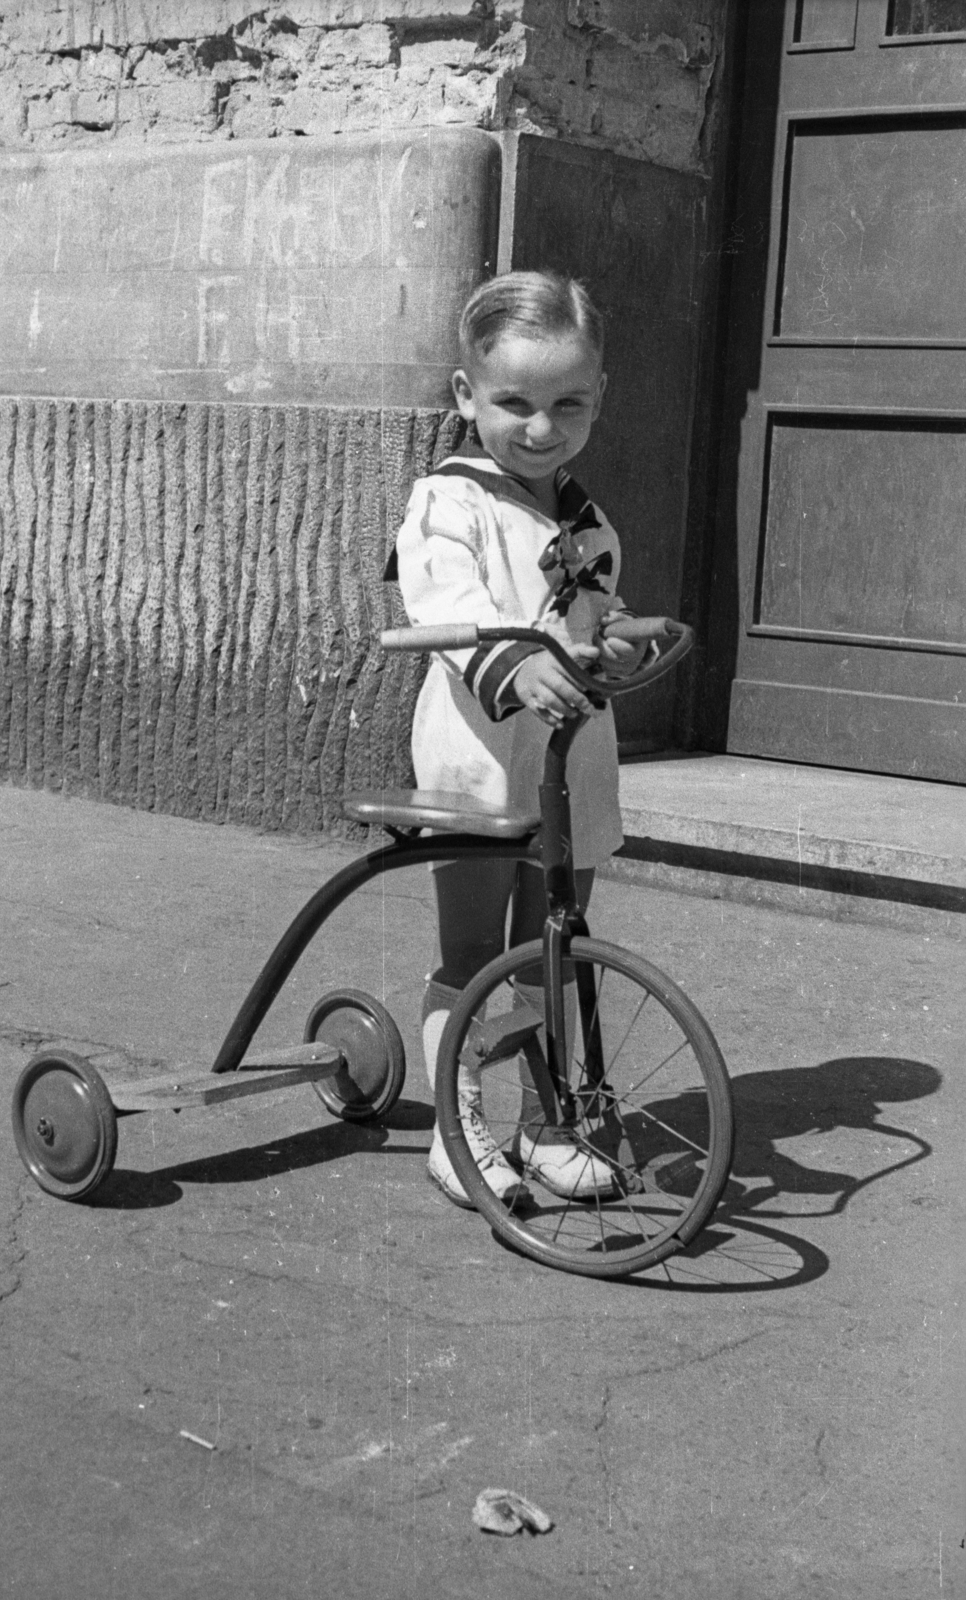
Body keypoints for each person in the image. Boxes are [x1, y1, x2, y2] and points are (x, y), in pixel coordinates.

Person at [391, 269, 650, 1208]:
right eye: (513, 403)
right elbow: (445, 607)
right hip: (477, 757)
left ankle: (547, 1122)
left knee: (557, 945)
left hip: (570, 762)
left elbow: (586, 622)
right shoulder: (446, 503)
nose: (541, 428)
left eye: (567, 403)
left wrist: (611, 641)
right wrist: (512, 663)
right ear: (467, 397)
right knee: (473, 952)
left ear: (597, 398)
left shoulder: (590, 524)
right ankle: (455, 1126)